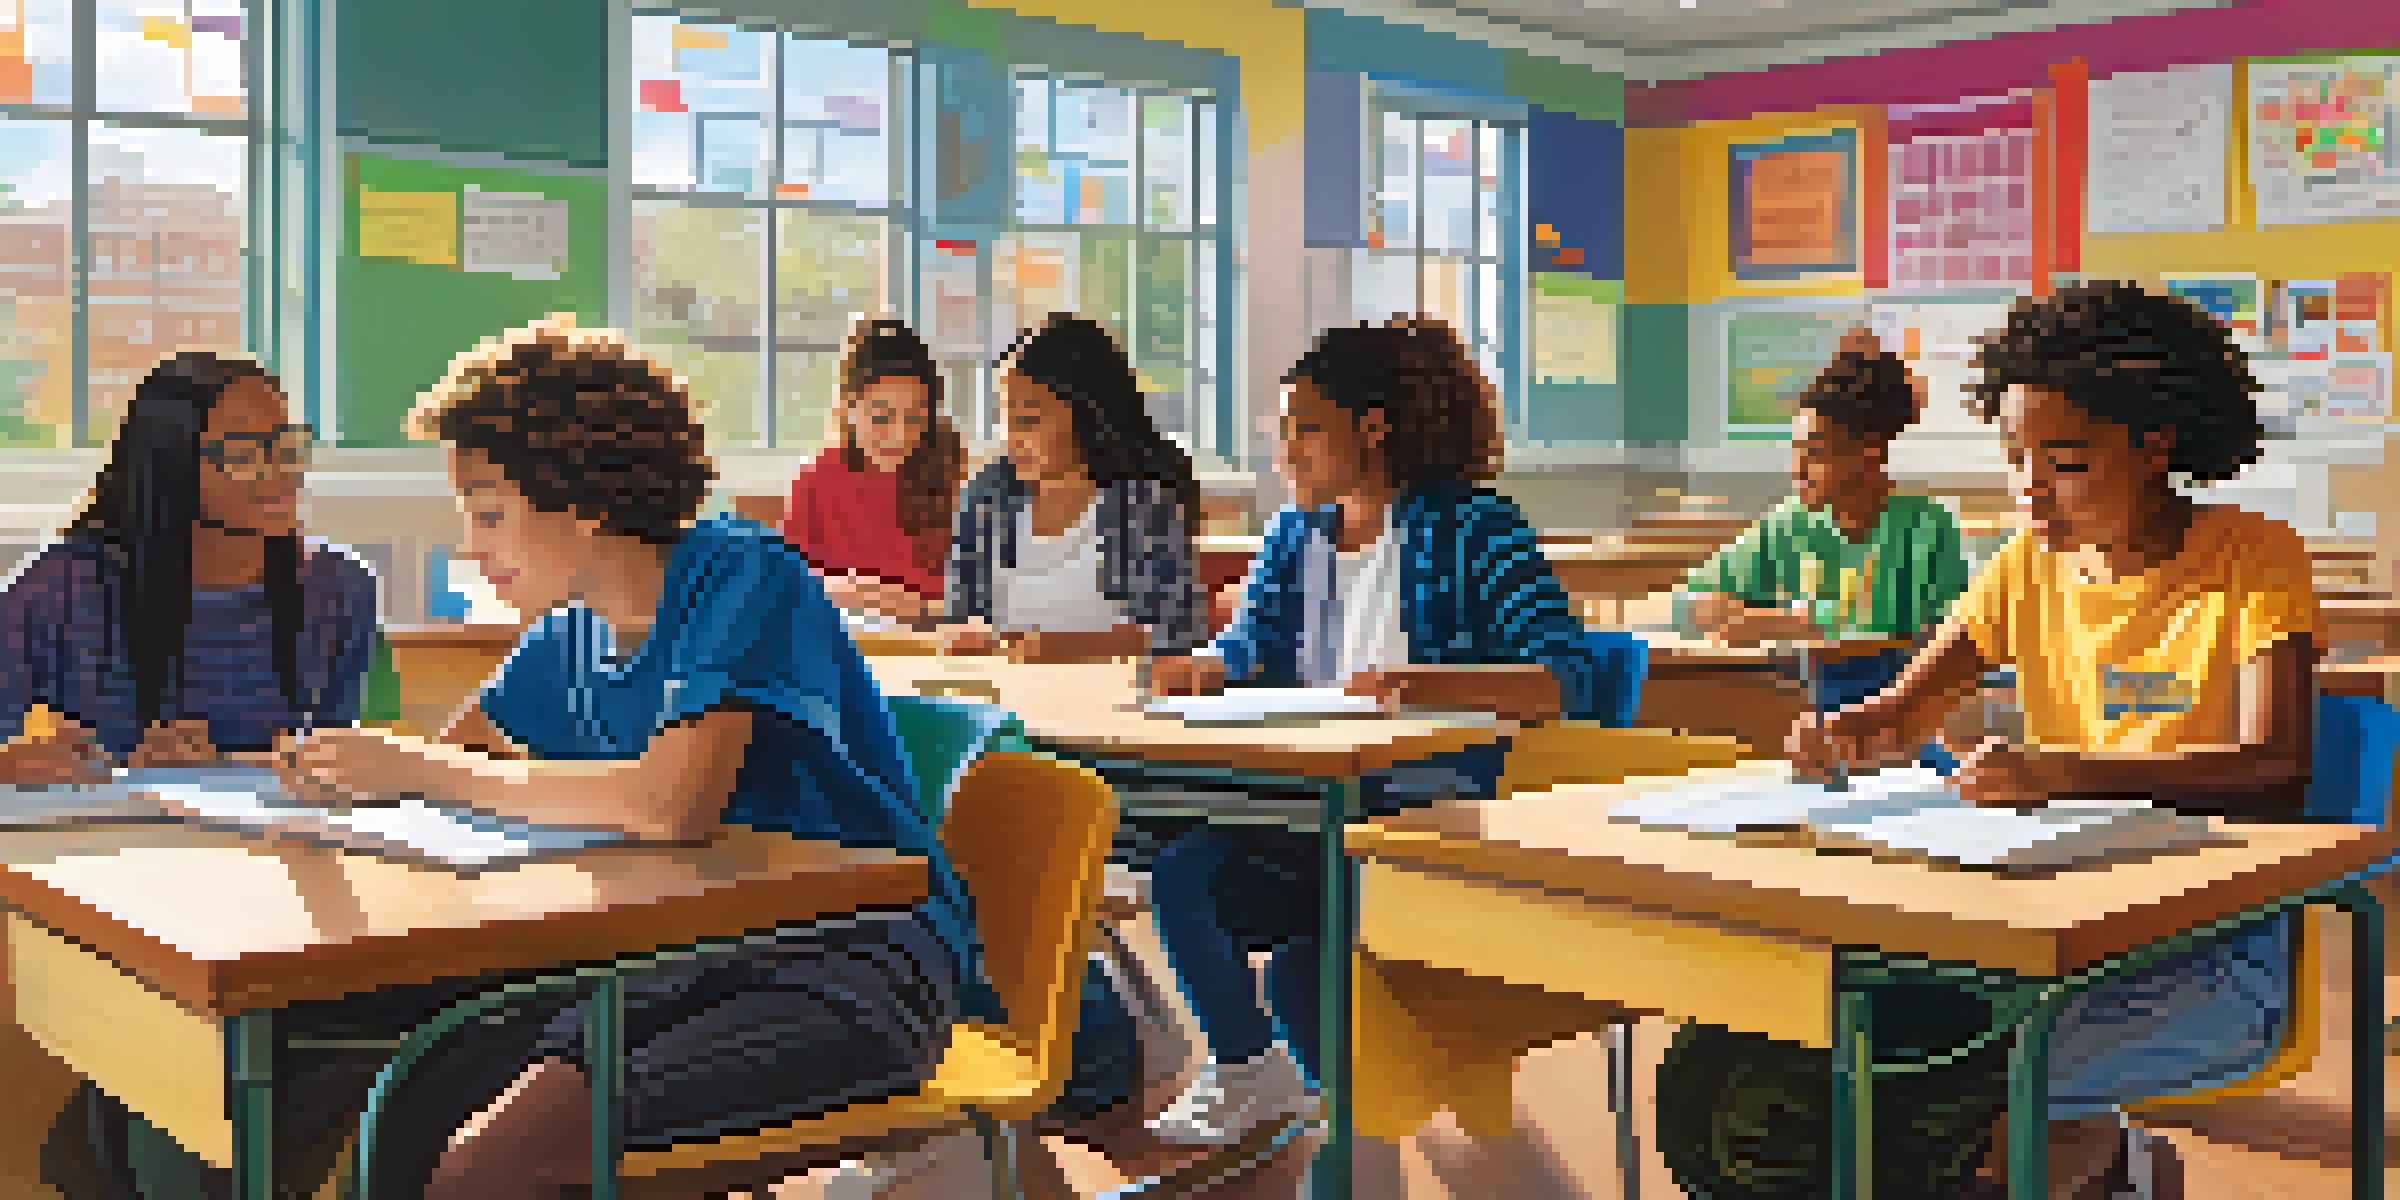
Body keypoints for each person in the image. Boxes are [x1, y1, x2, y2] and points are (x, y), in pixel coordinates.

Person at [1720, 281, 2306, 1199]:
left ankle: (2093, 1165)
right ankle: (2109, 1166)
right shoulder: (2026, 566)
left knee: (1954, 1086)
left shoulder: (2251, 557)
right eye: (2014, 457)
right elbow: (1906, 713)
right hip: (2044, 928)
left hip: (2210, 945)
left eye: (2065, 462)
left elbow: (2278, 768)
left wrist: (2063, 772)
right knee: (1818, 1055)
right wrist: (1847, 731)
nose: (2031, 487)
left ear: (2153, 448)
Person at [1140, 317, 1612, 1146]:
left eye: (1307, 429)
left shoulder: (1478, 530)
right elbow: (1249, 648)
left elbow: (1564, 678)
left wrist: (1419, 685)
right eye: (1281, 432)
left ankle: (1300, 1080)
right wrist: (1205, 667)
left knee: (1286, 958)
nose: (1287, 452)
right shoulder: (1296, 536)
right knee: (1180, 874)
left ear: (1374, 426)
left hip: (1420, 815)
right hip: (1306, 802)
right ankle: (1256, 1072)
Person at [26, 352, 382, 1198]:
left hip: (288, 904)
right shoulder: (66, 588)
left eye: (287, 444)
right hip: (123, 908)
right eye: (243, 450)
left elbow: (344, 766)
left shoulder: (338, 588)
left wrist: (245, 763)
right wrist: (34, 760)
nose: (278, 472)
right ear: (169, 462)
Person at [1676, 326, 1971, 771]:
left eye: (1815, 453)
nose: (1797, 469)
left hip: (1910, 715)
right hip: (1812, 714)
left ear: (1870, 451)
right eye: (1794, 451)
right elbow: (1694, 606)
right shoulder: (1787, 524)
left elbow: (1959, 635)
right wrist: (1792, 622)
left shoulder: (1927, 525)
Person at [941, 312, 1206, 661]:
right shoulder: (985, 499)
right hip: (1003, 705)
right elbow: (962, 618)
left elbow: (1173, 637)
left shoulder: (1141, 508)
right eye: (1003, 419)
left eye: (1028, 421)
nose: (1011, 438)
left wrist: (1056, 648)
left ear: (1085, 415)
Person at [782, 317, 965, 627]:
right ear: (849, 408)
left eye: (914, 418)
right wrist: (847, 591)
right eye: (881, 418)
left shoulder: (949, 476)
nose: (898, 435)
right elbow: (785, 586)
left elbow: (976, 604)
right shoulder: (817, 478)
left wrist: (915, 608)